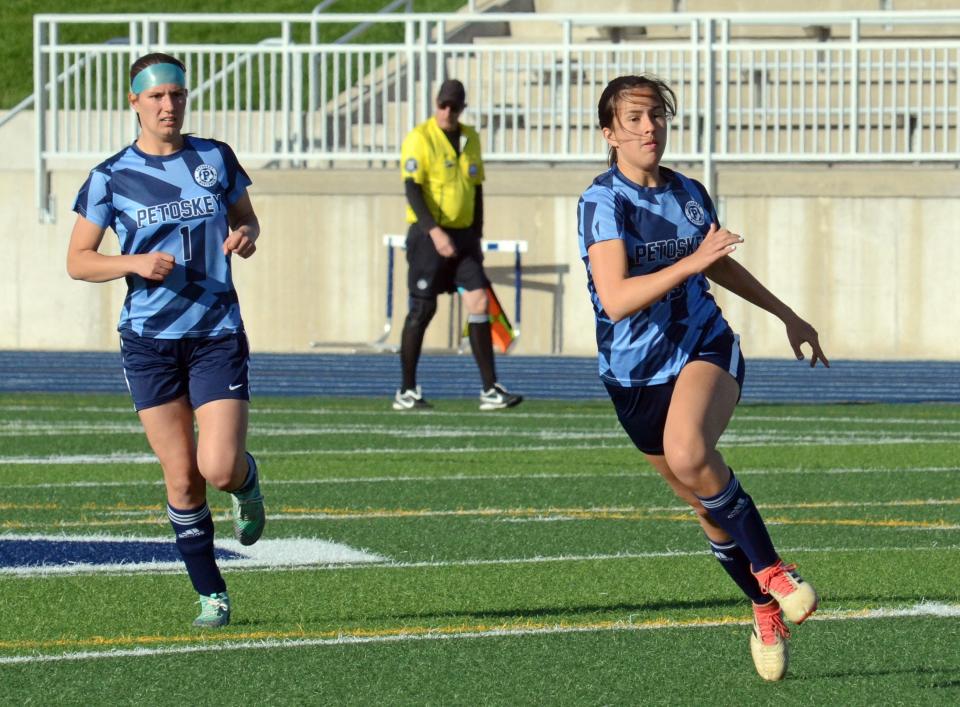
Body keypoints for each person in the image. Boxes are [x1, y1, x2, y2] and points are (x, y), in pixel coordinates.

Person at [577, 75, 830, 681]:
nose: (649, 129)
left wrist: (786, 314)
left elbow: (720, 268)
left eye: (657, 117)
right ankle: (762, 605)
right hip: (631, 375)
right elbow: (615, 299)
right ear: (609, 133)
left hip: (702, 347)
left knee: (690, 451)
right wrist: (693, 260)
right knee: (706, 507)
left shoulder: (689, 193)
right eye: (634, 119)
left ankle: (773, 570)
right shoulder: (602, 202)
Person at [66, 53, 265, 629]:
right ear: (134, 103)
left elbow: (247, 218)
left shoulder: (214, 157)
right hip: (150, 342)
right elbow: (79, 261)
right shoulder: (109, 176)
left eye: (176, 94)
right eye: (155, 97)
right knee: (181, 476)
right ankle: (212, 595)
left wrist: (246, 235)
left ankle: (247, 485)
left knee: (219, 468)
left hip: (215, 333)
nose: (168, 105)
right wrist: (132, 263)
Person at [395, 79, 522, 411]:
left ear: (462, 108)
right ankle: (406, 389)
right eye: (443, 105)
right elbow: (413, 190)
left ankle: (489, 389)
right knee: (423, 309)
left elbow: (476, 189)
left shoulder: (470, 138)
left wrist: (477, 236)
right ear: (436, 103)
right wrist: (434, 233)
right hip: (428, 237)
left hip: (464, 237)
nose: (447, 111)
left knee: (479, 302)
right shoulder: (420, 138)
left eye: (454, 106)